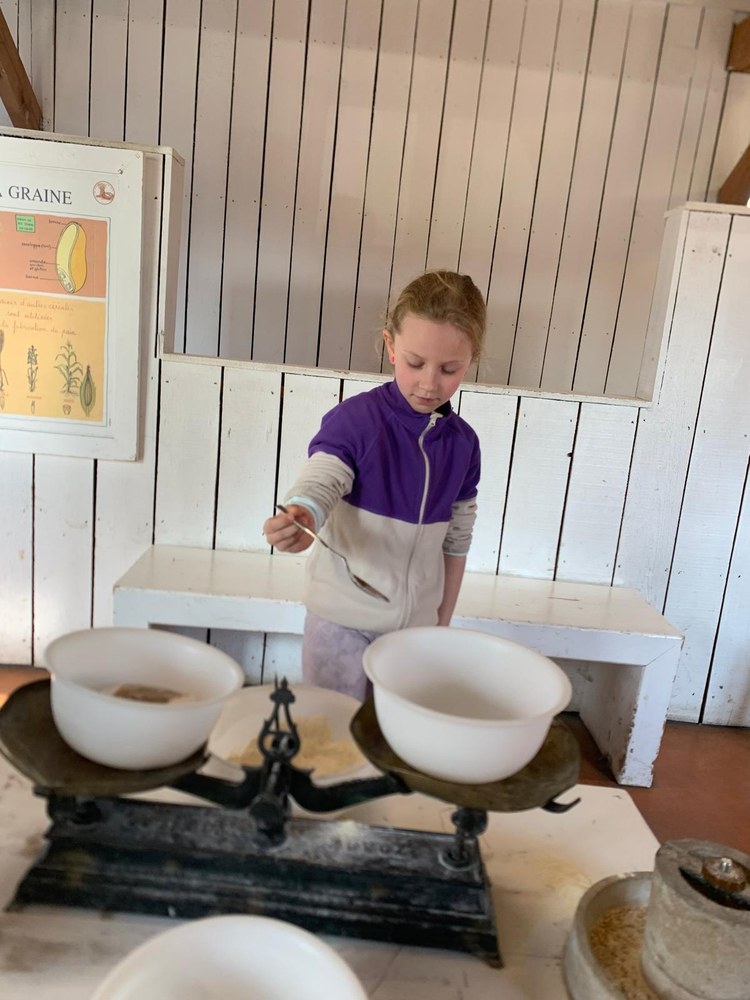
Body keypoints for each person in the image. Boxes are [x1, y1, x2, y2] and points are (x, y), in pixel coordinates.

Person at [263, 270, 486, 700]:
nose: (429, 383)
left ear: (471, 358)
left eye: (449, 369)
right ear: (390, 346)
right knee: (332, 729)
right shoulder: (357, 421)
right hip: (339, 624)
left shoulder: (464, 446)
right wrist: (303, 512)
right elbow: (323, 478)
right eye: (415, 363)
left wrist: (440, 623)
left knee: (393, 733)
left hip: (414, 635)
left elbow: (457, 541)